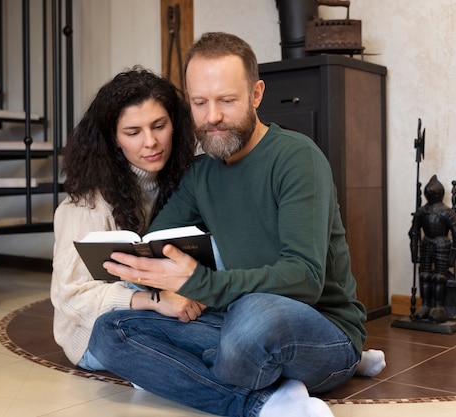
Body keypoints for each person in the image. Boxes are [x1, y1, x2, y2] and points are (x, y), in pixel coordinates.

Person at [89, 32, 384, 417]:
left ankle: (200, 375)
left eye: (227, 101)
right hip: (235, 325)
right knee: (110, 333)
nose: (212, 117)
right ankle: (263, 401)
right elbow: (158, 242)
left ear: (256, 95)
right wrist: (140, 266)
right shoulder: (200, 175)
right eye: (200, 103)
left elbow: (305, 278)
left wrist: (200, 284)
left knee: (253, 317)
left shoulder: (297, 158)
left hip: (320, 328)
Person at [50, 66, 199, 371]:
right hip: (95, 333)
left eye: (159, 126)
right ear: (114, 139)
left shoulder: (185, 181)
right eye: (133, 132)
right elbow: (70, 297)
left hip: (169, 305)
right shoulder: (86, 204)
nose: (151, 142)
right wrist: (156, 300)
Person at [409, 174, 456, 323]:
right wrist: (414, 253)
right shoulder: (421, 212)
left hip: (441, 244)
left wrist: (452, 258)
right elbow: (414, 233)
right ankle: (425, 305)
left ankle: (438, 307)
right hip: (427, 243)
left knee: (439, 277)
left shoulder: (446, 212)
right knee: (424, 275)